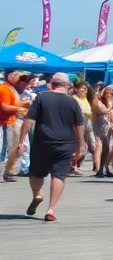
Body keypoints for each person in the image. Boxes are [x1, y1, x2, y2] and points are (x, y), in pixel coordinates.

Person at [19, 73, 84, 222]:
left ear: (52, 83)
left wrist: (21, 140)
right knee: (59, 175)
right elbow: (79, 126)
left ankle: (37, 194)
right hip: (65, 143)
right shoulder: (73, 102)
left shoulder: (41, 97)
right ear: (67, 85)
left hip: (43, 142)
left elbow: (29, 120)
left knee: (36, 173)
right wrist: (80, 146)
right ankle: (51, 209)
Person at [1, 69, 30, 182]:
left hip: (10, 123)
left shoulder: (11, 89)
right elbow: (5, 107)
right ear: (7, 76)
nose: (17, 77)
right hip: (4, 123)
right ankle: (3, 172)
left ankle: (7, 172)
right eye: (15, 75)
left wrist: (25, 103)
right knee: (4, 149)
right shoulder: (4, 88)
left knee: (14, 149)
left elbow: (13, 104)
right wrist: (21, 109)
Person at [70, 81, 92, 177]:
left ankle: (75, 165)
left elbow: (89, 112)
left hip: (87, 125)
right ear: (76, 89)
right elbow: (80, 111)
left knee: (84, 147)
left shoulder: (86, 99)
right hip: (77, 125)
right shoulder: (75, 99)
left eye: (86, 89)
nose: (85, 90)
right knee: (78, 146)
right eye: (83, 88)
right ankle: (73, 166)